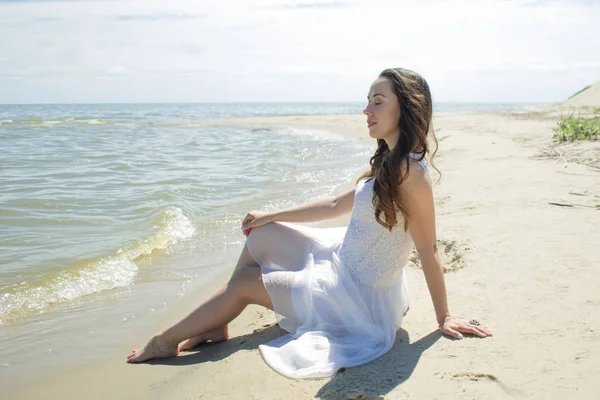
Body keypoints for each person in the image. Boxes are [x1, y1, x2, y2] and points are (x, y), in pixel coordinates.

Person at [126, 68, 492, 379]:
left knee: (241, 284)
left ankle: (165, 340)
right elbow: (335, 204)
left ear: (406, 108)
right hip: (342, 261)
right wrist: (270, 215)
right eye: (368, 100)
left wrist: (444, 317)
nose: (367, 110)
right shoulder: (388, 162)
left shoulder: (411, 174)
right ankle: (217, 323)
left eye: (378, 101)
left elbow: (428, 248)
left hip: (355, 300)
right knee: (260, 233)